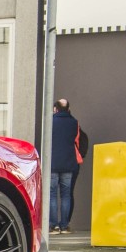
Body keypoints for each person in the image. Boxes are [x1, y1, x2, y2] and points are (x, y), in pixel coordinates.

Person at [49, 98, 82, 234]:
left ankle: (53, 226)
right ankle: (64, 225)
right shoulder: (74, 123)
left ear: (55, 109)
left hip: (53, 164)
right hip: (68, 164)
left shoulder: (50, 122)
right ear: (68, 109)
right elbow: (77, 142)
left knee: (52, 195)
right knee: (66, 195)